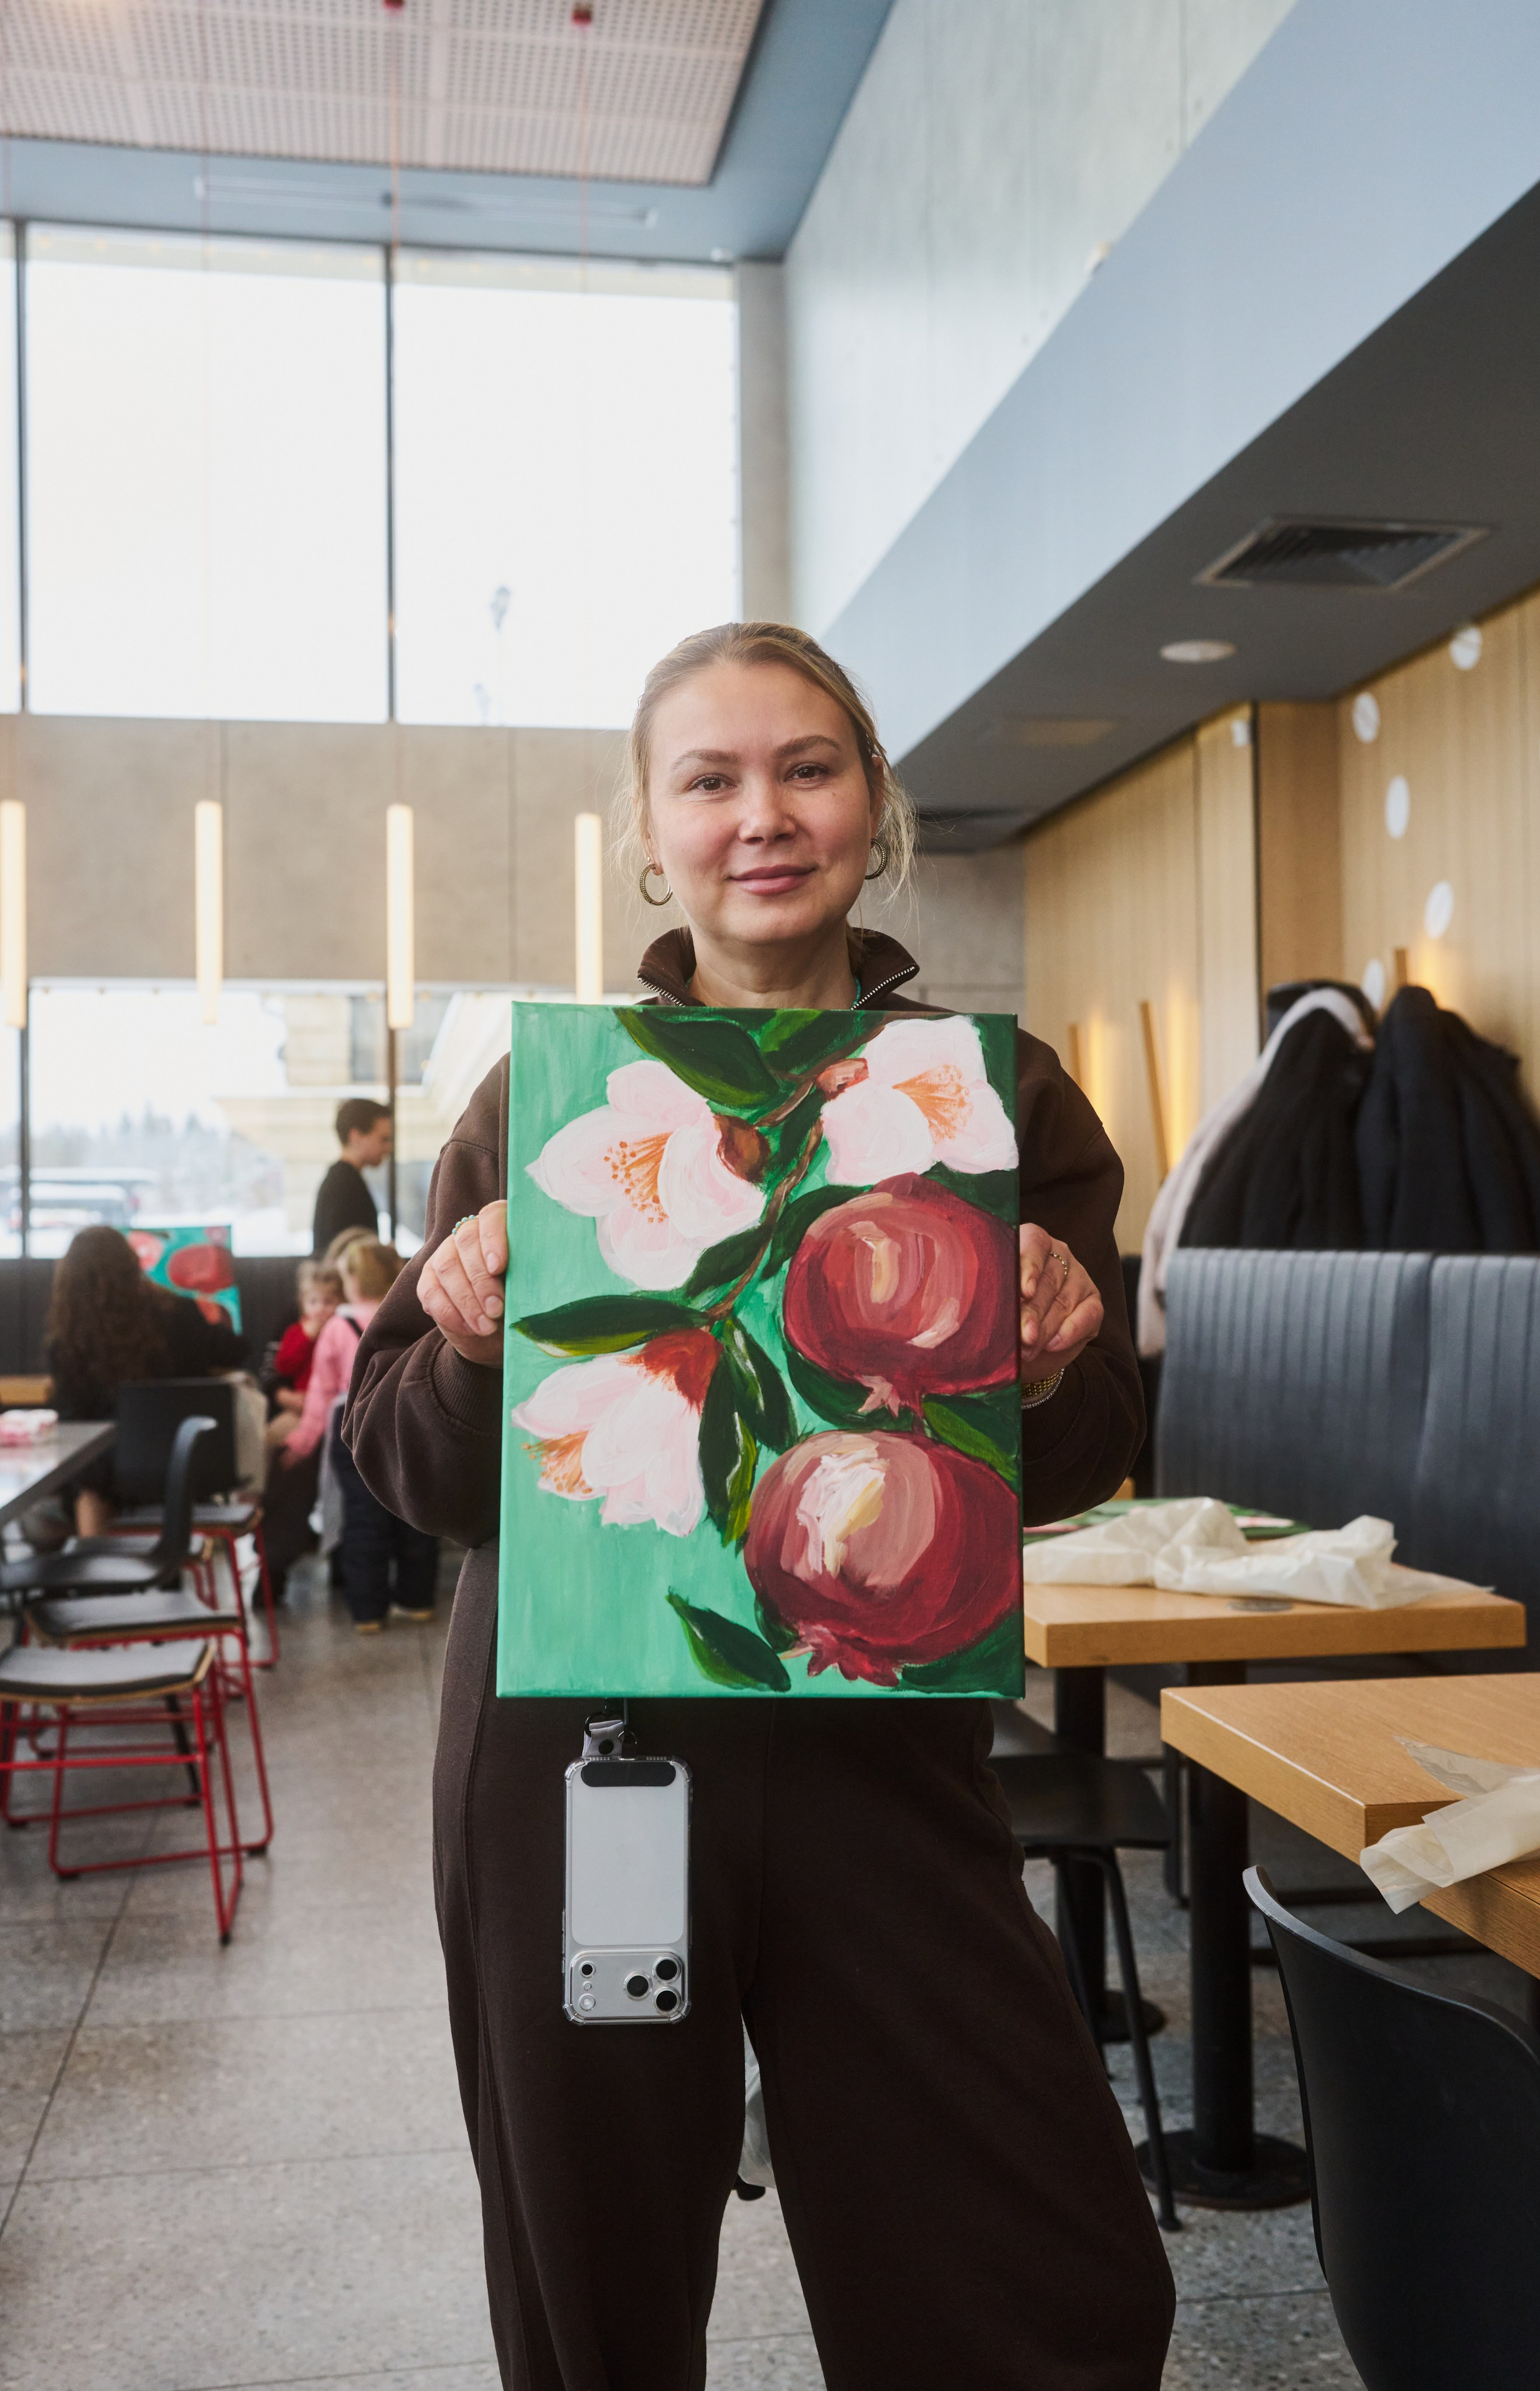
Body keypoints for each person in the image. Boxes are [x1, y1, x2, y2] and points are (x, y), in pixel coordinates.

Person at [345, 623, 1175, 2387]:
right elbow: (406, 1473)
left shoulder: (988, 1097)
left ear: (875, 810)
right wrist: (478, 1334)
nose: (762, 816)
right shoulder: (548, 1102)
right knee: (598, 2273)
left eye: (807, 768)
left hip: (880, 1745)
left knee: (1038, 2265)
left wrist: (1044, 1354)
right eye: (708, 779)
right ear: (650, 833)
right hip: (585, 1759)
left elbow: (1094, 1449)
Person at [46, 1222, 249, 1536]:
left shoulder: (69, 1346)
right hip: (190, 1470)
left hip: (109, 1485)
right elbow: (236, 1350)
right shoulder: (179, 1313)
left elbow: (70, 1424)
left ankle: (95, 1577)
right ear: (131, 1265)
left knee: (85, 1481)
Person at [277, 1239, 437, 1633]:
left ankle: (369, 1611)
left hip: (353, 1430)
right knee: (416, 1513)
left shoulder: (337, 1327)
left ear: (351, 1280)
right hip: (409, 1424)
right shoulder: (414, 1317)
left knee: (363, 1521)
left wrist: (302, 1441)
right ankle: (417, 1600)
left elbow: (321, 1393)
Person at [311, 1099, 392, 1259]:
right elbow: (340, 1254)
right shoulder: (343, 1184)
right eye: (383, 1139)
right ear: (356, 1137)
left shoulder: (344, 1179)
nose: (389, 1148)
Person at [270, 1261, 343, 1415]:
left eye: (328, 1302)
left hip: (336, 1402)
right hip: (303, 1403)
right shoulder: (295, 1331)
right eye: (313, 1302)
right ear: (303, 1304)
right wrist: (305, 1338)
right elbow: (283, 1366)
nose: (320, 1309)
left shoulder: (343, 1331)